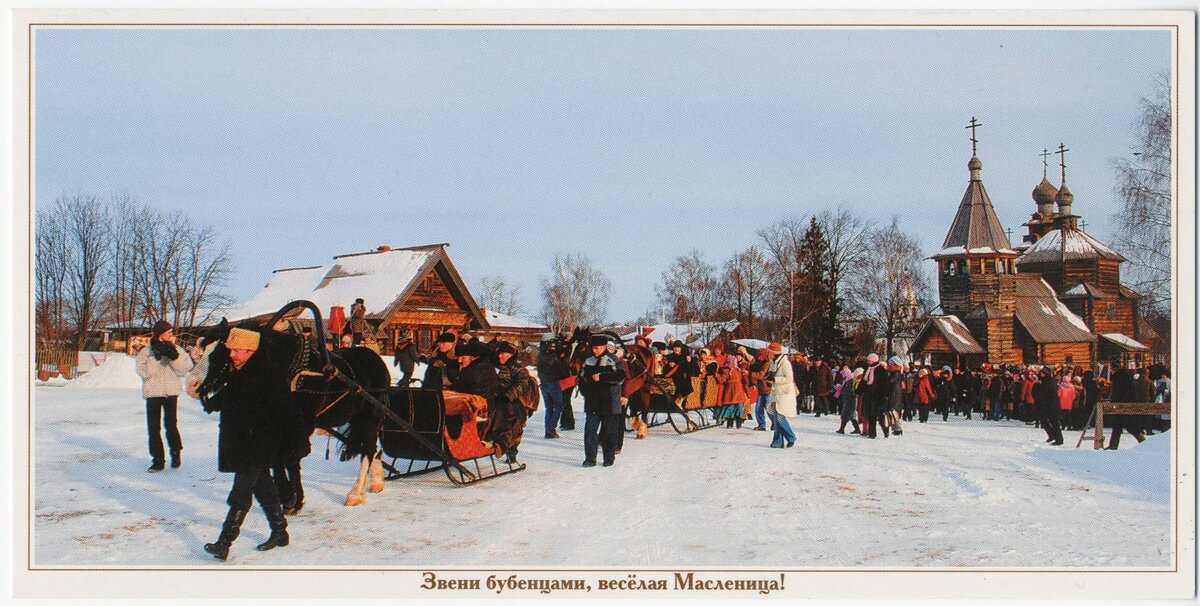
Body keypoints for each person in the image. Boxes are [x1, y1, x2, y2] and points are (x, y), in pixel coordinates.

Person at [200, 328, 289, 561]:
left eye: (237, 350)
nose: (232, 355)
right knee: (264, 488)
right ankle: (280, 531)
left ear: (251, 350)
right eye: (231, 350)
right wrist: (210, 402)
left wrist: (273, 438)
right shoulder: (241, 371)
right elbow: (232, 395)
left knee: (241, 492)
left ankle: (224, 542)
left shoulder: (269, 374)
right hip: (243, 440)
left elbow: (283, 410)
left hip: (258, 442)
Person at [135, 320, 194, 472]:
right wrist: (157, 359)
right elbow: (142, 372)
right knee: (153, 428)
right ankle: (157, 460)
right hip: (153, 393)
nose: (171, 335)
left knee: (171, 425)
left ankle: (176, 453)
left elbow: (186, 368)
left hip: (171, 393)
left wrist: (173, 358)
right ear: (160, 334)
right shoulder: (146, 351)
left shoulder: (177, 349)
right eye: (168, 332)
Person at [577, 334, 626, 467]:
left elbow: (621, 376)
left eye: (597, 348)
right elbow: (581, 378)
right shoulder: (588, 361)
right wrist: (585, 392)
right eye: (593, 348)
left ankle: (609, 458)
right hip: (593, 402)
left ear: (604, 346)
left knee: (610, 432)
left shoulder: (613, 360)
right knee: (590, 431)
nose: (595, 350)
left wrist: (602, 377)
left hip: (610, 402)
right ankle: (590, 458)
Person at [489, 340, 529, 464]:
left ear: (512, 355)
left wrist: (507, 395)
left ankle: (510, 450)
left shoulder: (518, 369)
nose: (502, 356)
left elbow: (522, 384)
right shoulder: (491, 365)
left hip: (511, 400)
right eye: (500, 353)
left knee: (511, 419)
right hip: (492, 398)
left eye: (505, 354)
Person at [536, 333, 570, 439]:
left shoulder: (540, 355)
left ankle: (548, 431)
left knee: (549, 408)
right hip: (554, 383)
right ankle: (551, 428)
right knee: (559, 406)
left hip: (543, 384)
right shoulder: (554, 357)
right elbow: (563, 372)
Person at [763, 342, 797, 448]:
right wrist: (769, 377)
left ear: (774, 353)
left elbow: (789, 378)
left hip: (784, 393)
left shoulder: (785, 363)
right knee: (776, 417)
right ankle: (778, 441)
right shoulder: (774, 362)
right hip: (775, 392)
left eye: (769, 352)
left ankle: (791, 437)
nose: (768, 354)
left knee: (779, 417)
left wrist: (775, 379)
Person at [714, 352, 747, 428]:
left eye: (733, 362)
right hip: (732, 391)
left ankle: (737, 423)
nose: (732, 364)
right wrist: (717, 375)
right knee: (732, 407)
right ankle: (731, 423)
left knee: (737, 407)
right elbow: (722, 379)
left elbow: (743, 380)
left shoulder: (737, 370)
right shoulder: (727, 370)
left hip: (736, 391)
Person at [1033, 367, 1064, 446]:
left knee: (1054, 422)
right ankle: (1052, 435)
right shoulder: (1043, 381)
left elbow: (1051, 394)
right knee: (1044, 421)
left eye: (1043, 373)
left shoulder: (1049, 381)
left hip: (1051, 405)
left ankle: (1059, 439)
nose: (1041, 375)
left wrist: (1050, 405)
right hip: (1045, 405)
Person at [747, 348, 773, 431]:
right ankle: (762, 425)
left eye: (760, 356)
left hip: (768, 389)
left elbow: (761, 375)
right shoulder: (759, 363)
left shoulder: (767, 363)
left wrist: (750, 373)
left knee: (768, 408)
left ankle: (775, 423)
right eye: (758, 356)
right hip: (762, 388)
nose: (759, 358)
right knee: (758, 408)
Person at [834, 366, 860, 434]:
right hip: (848, 400)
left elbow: (851, 391)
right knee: (851, 416)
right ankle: (856, 429)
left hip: (850, 400)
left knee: (845, 415)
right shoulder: (847, 381)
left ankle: (842, 429)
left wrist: (842, 390)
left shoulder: (850, 381)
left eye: (843, 375)